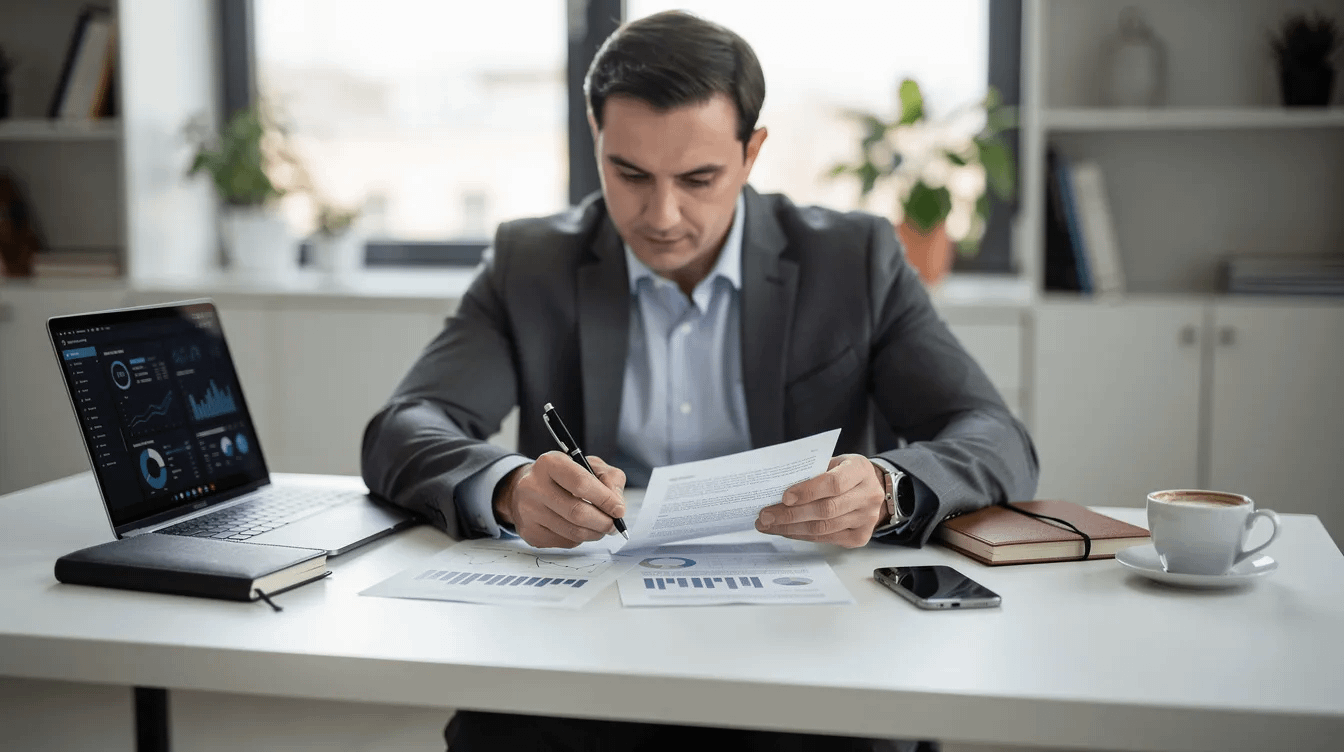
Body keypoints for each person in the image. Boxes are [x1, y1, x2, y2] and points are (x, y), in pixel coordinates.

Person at [362, 10, 1038, 752]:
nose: (661, 215)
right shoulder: (532, 263)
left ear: (752, 153)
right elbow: (408, 423)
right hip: (584, 655)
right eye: (629, 174)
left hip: (806, 647)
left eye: (698, 178)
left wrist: (886, 486)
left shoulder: (852, 261)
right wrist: (508, 487)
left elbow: (992, 435)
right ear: (595, 134)